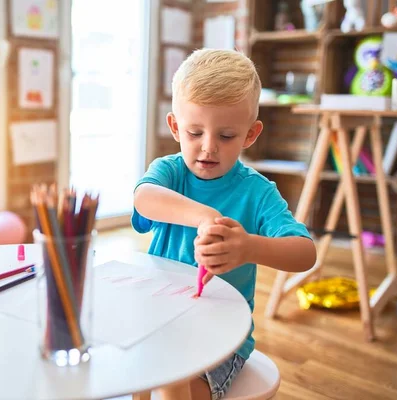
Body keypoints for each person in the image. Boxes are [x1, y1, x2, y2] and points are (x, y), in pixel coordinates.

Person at [132, 48, 317, 400]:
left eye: (226, 136)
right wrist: (203, 215)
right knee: (131, 372)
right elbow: (145, 198)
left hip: (219, 339)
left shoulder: (258, 192)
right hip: (158, 320)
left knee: (170, 380)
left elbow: (305, 253)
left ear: (250, 134)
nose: (208, 148)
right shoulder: (170, 172)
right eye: (195, 132)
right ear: (175, 127)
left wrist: (249, 246)